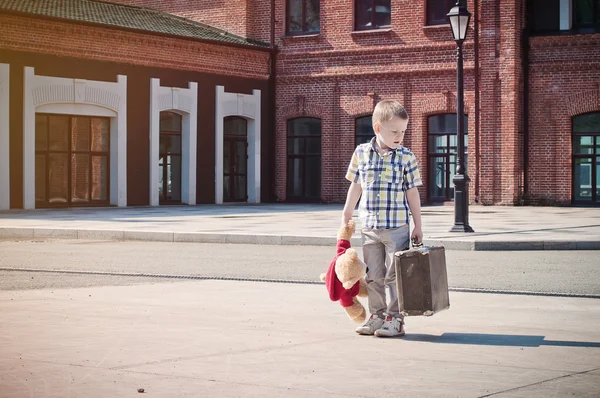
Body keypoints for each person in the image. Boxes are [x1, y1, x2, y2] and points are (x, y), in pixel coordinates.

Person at [342, 99, 423, 337]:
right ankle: (376, 317)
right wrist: (347, 213)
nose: (400, 136)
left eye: (403, 131)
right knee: (373, 276)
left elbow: (412, 192)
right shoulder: (361, 153)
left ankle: (395, 319)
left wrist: (418, 225)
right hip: (369, 228)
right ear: (378, 128)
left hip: (397, 228)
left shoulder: (406, 157)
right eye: (394, 131)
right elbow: (356, 186)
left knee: (394, 276)